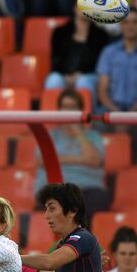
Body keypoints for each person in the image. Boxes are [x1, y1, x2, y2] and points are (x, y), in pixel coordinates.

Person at [21, 183, 104, 272]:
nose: (46, 215)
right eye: (46, 209)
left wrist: (10, 257)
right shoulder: (60, 246)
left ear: (72, 211)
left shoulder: (83, 238)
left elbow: (49, 262)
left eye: (52, 208)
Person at [35, 90, 108, 227]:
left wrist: (79, 134)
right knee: (47, 204)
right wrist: (81, 159)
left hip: (87, 190)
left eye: (72, 107)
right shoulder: (51, 135)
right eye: (65, 107)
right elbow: (42, 160)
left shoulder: (92, 136)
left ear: (80, 110)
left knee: (97, 199)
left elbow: (95, 160)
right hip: (55, 189)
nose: (68, 111)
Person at [96, 7, 137, 116]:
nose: (130, 26)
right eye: (126, 22)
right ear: (121, 25)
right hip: (111, 108)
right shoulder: (108, 52)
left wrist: (129, 116)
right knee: (97, 120)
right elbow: (102, 91)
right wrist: (117, 114)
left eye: (135, 22)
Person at [44, 6, 109, 106]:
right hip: (63, 74)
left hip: (89, 74)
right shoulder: (60, 32)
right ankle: (51, 119)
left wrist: (79, 75)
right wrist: (66, 76)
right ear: (74, 8)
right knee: (54, 80)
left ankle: (89, 119)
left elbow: (99, 63)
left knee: (84, 82)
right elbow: (55, 59)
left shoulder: (101, 35)